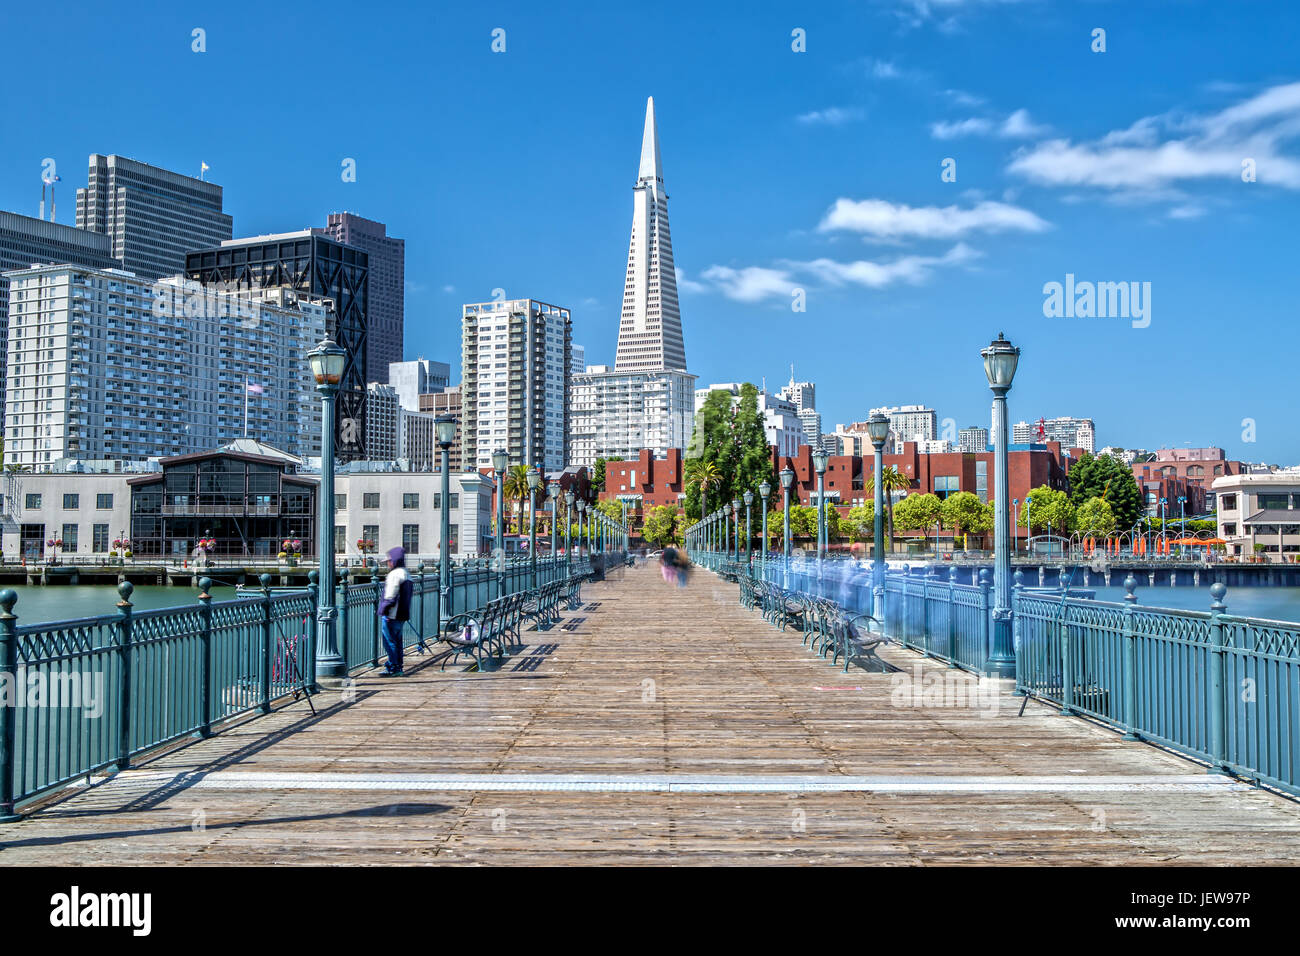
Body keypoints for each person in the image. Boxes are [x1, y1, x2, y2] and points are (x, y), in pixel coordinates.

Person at [377, 546, 413, 676]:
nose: (388, 563)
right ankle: (398, 666)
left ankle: (393, 667)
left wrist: (384, 611)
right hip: (402, 614)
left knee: (389, 641)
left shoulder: (394, 575)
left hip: (392, 614)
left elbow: (390, 597)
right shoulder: (407, 574)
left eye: (389, 561)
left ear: (394, 561)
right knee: (397, 642)